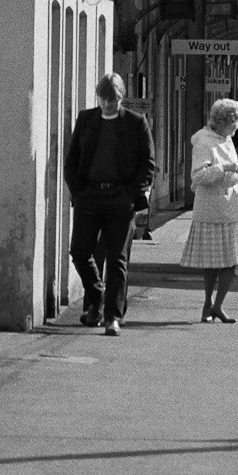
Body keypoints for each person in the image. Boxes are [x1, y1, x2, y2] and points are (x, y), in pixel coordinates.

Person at [64, 73, 155, 337]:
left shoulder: (136, 123)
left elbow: (147, 162)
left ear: (121, 97)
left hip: (120, 198)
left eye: (113, 99)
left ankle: (112, 316)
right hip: (89, 196)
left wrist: (132, 192)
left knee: (117, 258)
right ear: (98, 98)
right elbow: (72, 159)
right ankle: (97, 295)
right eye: (104, 99)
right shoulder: (86, 119)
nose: (108, 104)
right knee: (80, 252)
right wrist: (78, 190)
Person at [180, 98, 238, 324]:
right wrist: (226, 168)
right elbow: (198, 176)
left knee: (232, 260)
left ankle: (215, 305)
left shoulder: (226, 139)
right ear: (223, 121)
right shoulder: (204, 143)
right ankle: (209, 304)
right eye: (236, 121)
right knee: (215, 262)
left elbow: (225, 171)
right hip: (211, 208)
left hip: (230, 207)